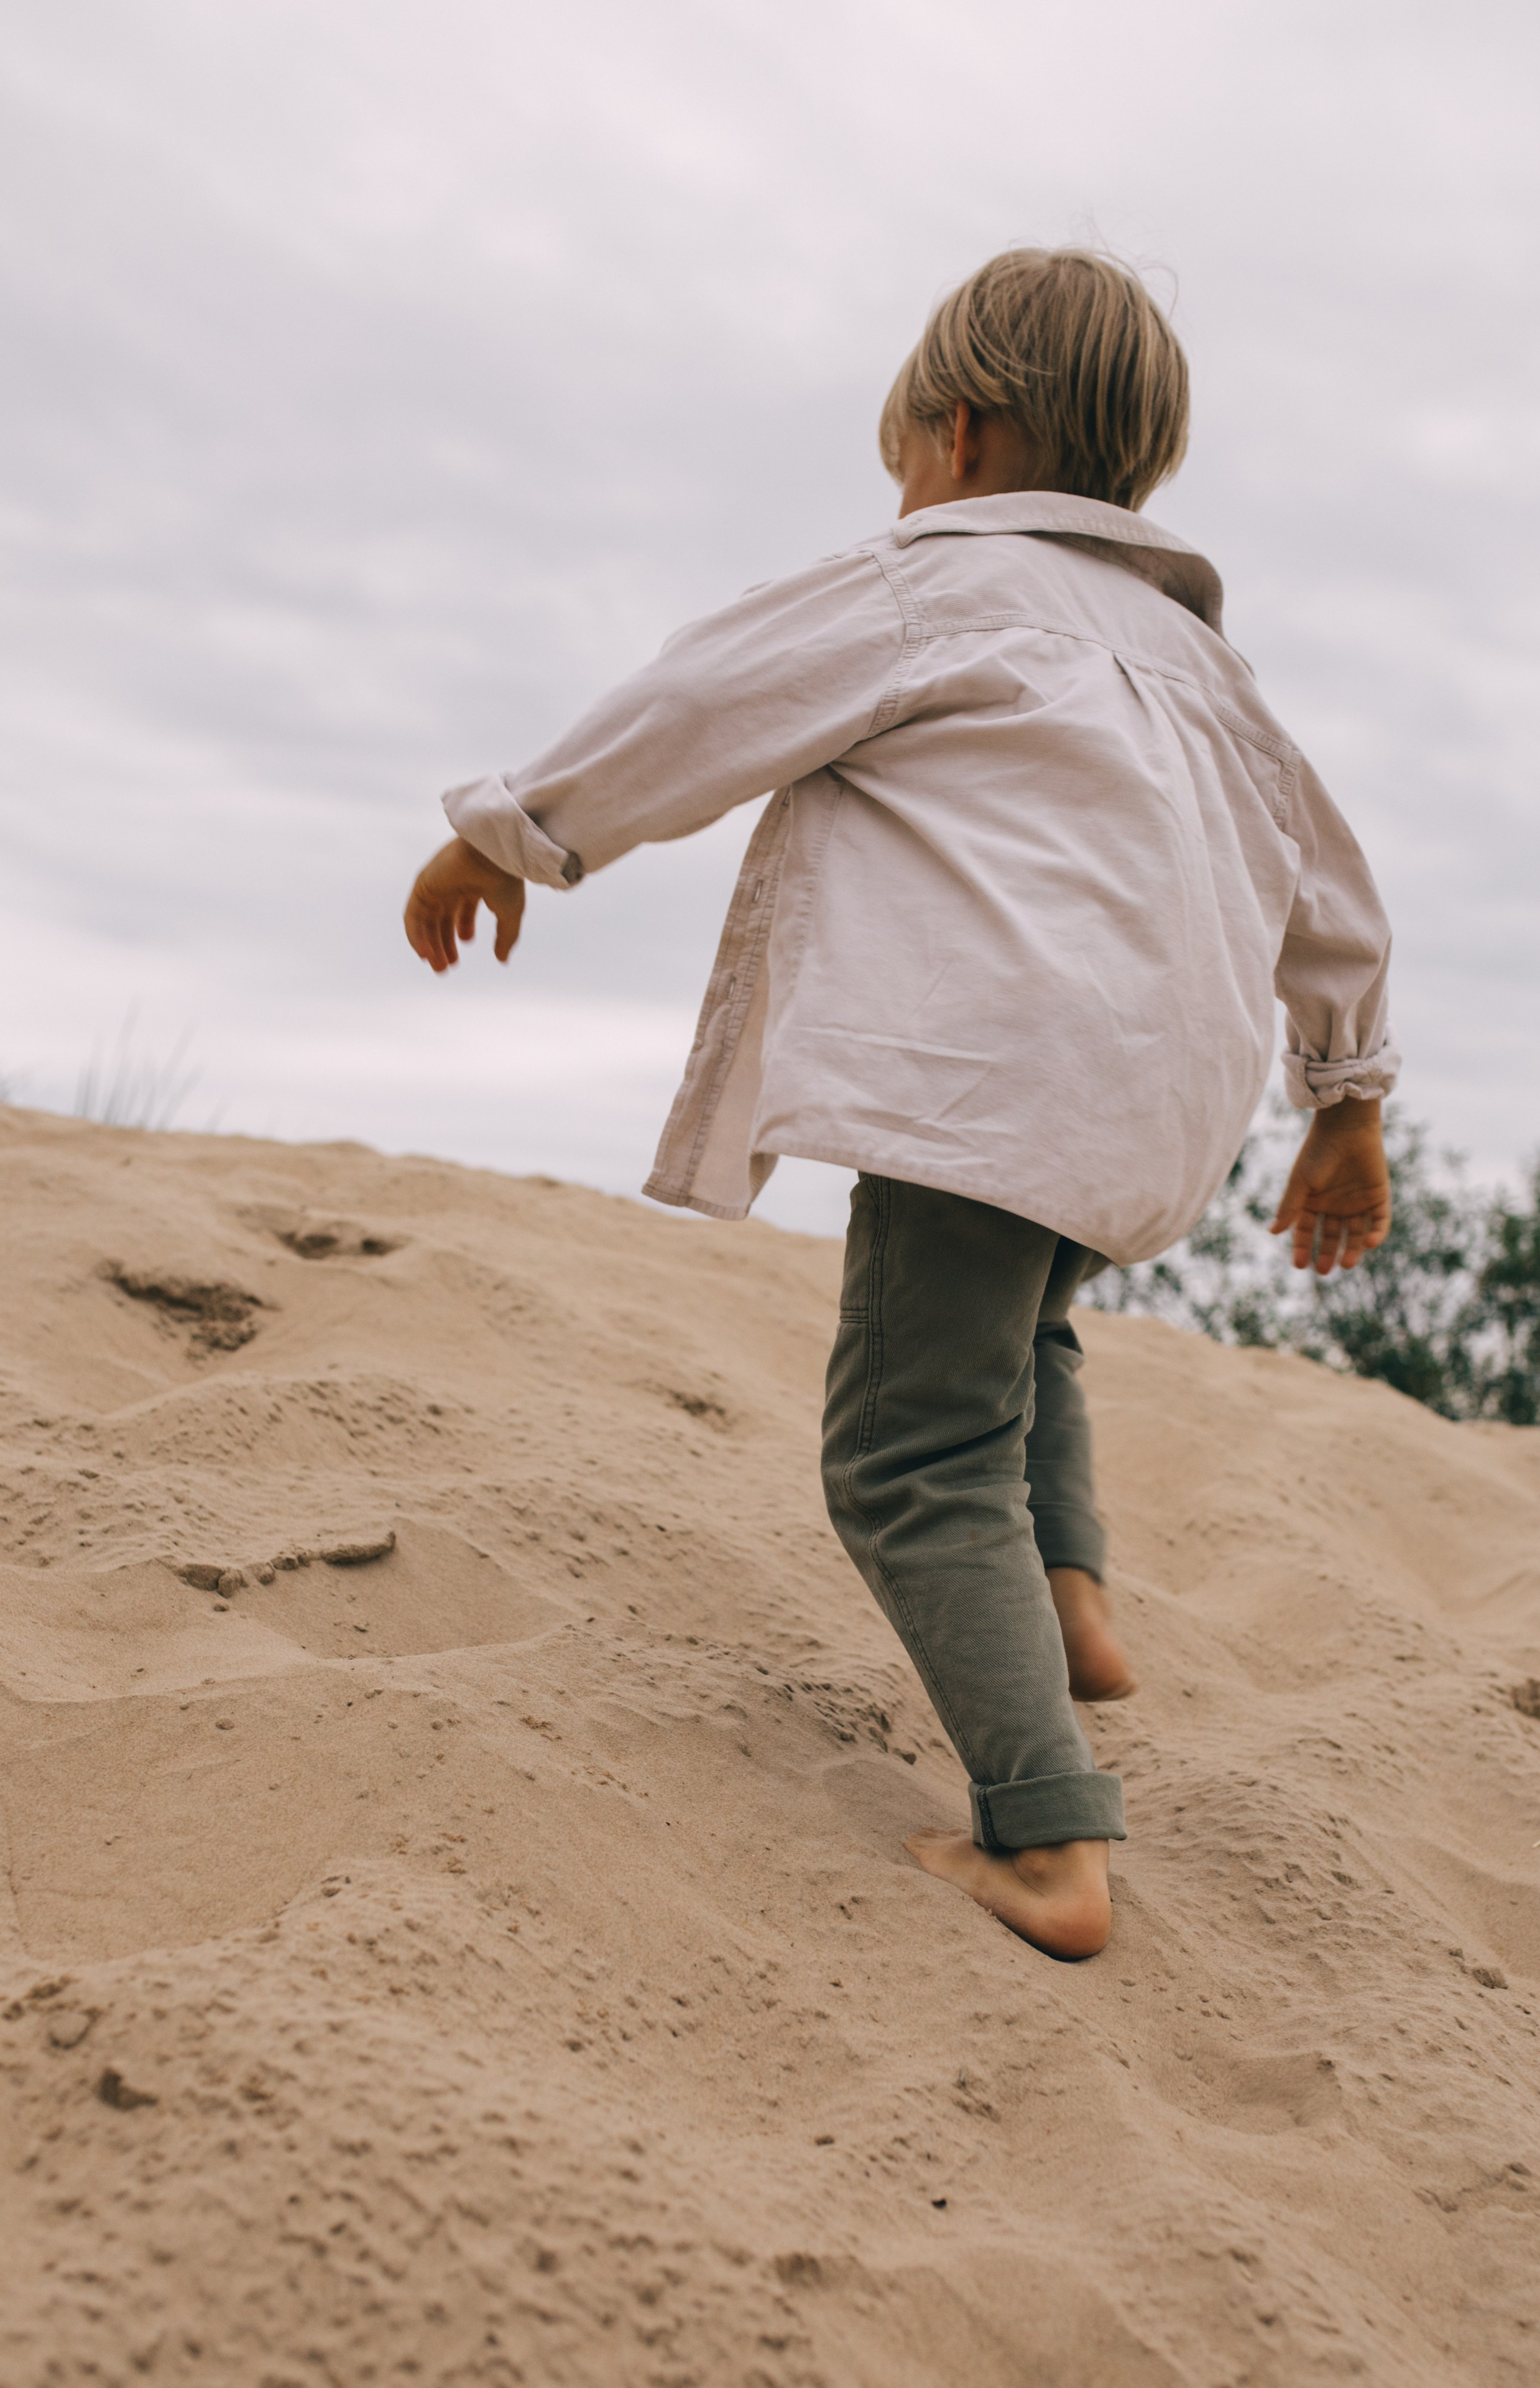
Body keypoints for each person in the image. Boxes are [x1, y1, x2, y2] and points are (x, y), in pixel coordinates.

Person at [403, 248, 1396, 1961]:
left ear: (957, 434)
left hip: (991, 1076)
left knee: (907, 1450)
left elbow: (700, 703)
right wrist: (1347, 1098)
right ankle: (1068, 1596)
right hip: (1160, 1106)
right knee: (1018, 1334)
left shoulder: (931, 587)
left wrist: (513, 830)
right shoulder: (1211, 672)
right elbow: (1331, 888)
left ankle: (1049, 1837)